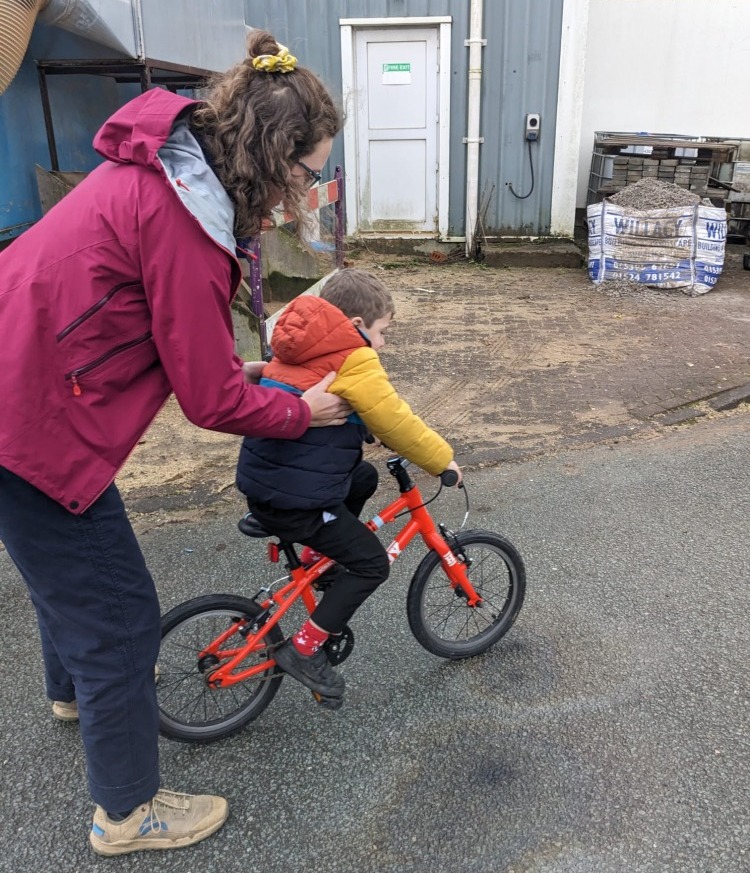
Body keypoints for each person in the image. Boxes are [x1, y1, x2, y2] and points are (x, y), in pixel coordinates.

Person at [0, 31, 347, 856]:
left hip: (26, 391)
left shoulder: (165, 170)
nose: (313, 187)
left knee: (71, 572)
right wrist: (304, 413)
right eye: (310, 171)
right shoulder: (187, 225)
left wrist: (245, 366)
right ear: (271, 156)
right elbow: (208, 400)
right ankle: (127, 811)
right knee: (119, 616)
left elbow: (173, 331)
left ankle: (75, 693)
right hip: (31, 422)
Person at [236, 268, 462, 704]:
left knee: (364, 475)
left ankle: (319, 554)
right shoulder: (353, 358)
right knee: (372, 564)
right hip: (296, 502)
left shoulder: (299, 347)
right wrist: (442, 461)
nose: (384, 344)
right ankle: (304, 650)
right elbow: (398, 421)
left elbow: (314, 400)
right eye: (383, 332)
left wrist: (360, 427)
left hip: (265, 484)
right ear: (357, 327)